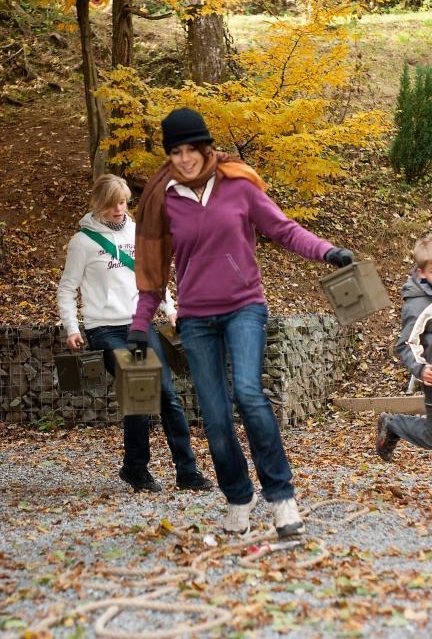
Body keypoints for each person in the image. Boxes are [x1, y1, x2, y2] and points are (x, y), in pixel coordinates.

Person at [127, 107, 354, 537]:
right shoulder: (164, 198)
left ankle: (282, 497)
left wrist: (328, 251)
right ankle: (238, 498)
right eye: (175, 151)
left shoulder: (239, 185)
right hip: (195, 317)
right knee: (214, 415)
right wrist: (140, 325)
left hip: (244, 306)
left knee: (249, 393)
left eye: (191, 148)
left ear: (206, 146)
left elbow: (284, 230)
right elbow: (153, 273)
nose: (184, 158)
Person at [57, 173, 212, 493]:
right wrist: (72, 327)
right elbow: (67, 289)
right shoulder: (82, 243)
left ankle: (186, 472)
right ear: (98, 203)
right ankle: (137, 468)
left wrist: (169, 309)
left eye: (124, 201)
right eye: (112, 203)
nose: (119, 208)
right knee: (141, 389)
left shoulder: (138, 233)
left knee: (167, 396)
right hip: (105, 330)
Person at [376, 233, 432, 460]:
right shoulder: (419, 305)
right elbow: (406, 344)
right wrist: (421, 369)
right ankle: (392, 424)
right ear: (422, 273)